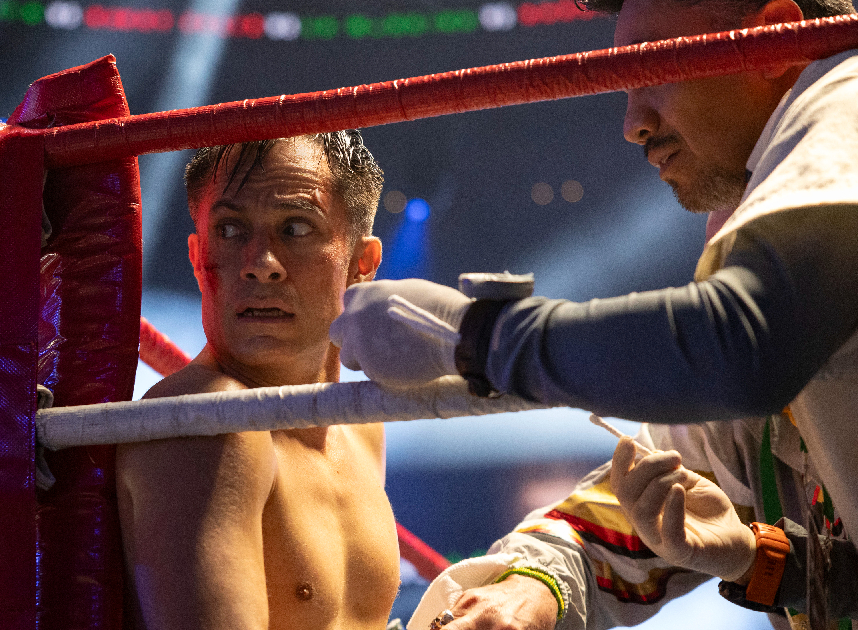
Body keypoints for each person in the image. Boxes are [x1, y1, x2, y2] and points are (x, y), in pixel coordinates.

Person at [328, 0, 858, 626]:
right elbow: (659, 489)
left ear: (774, 41)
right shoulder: (766, 214)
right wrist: (527, 592)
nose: (632, 123)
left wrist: (476, 338)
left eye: (655, 69)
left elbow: (741, 348)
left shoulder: (845, 105)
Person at [115, 131, 402, 630]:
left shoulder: (359, 423)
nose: (259, 264)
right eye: (229, 230)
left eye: (295, 228)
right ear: (197, 255)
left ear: (362, 264)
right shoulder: (211, 422)